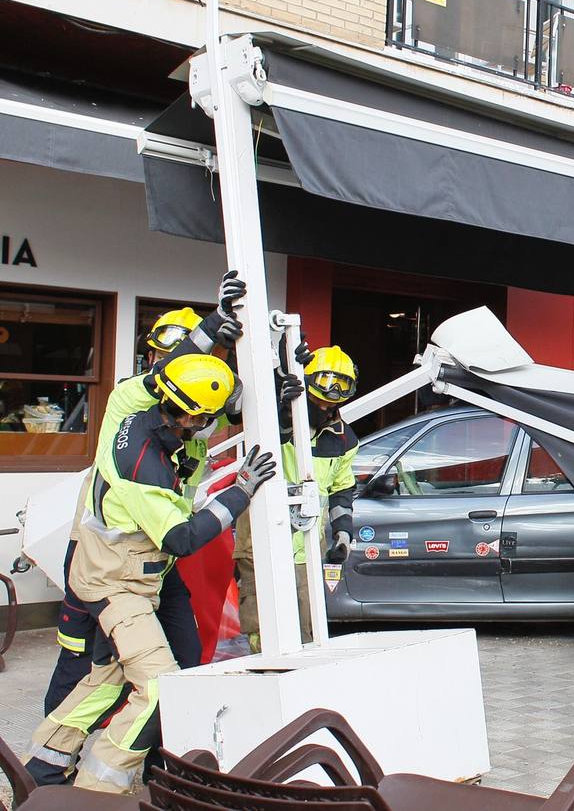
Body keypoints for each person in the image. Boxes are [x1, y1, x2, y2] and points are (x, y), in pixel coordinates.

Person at [25, 355, 276, 793]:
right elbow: (181, 537)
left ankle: (44, 767)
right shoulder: (147, 467)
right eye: (214, 418)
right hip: (117, 588)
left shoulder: (130, 413)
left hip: (111, 577)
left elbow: (179, 378)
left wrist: (221, 331)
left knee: (106, 678)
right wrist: (240, 493)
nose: (218, 425)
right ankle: (96, 791)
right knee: (160, 686)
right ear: (193, 416)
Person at [42, 276, 245, 717]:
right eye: (170, 356)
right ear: (154, 356)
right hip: (100, 557)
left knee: (179, 662)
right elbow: (164, 378)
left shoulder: (189, 421)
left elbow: (228, 405)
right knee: (80, 662)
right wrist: (213, 324)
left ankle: (160, 764)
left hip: (158, 563)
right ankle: (53, 770)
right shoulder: (129, 401)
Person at [235, 342, 359, 650]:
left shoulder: (344, 438)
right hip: (261, 541)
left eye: (330, 405)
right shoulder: (280, 422)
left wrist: (342, 535)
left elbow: (342, 489)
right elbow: (265, 440)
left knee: (308, 630)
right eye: (317, 401)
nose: (324, 409)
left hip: (307, 547)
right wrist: (285, 410)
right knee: (263, 626)